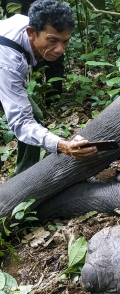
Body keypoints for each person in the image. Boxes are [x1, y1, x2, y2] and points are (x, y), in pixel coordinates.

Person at [0, 0, 96, 174]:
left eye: (65, 42)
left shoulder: (31, 24)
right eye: (52, 41)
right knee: (26, 121)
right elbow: (20, 121)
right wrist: (62, 145)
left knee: (34, 116)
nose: (60, 50)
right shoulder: (8, 61)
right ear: (31, 33)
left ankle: (26, 176)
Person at [1, 0, 65, 96]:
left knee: (53, 53)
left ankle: (52, 97)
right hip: (19, 9)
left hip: (42, 9)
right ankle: (35, 93)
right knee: (29, 54)